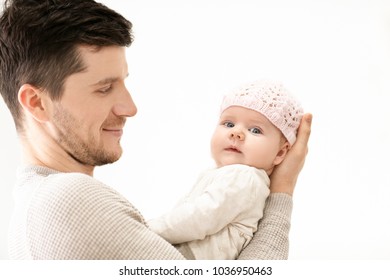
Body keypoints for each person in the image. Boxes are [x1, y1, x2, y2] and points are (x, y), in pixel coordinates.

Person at [0, 0, 312, 260]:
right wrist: (282, 189)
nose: (130, 107)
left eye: (124, 82)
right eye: (104, 88)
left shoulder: (30, 211)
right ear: (36, 103)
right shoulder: (70, 200)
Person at [148, 80, 304, 259]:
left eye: (255, 130)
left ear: (280, 152)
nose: (236, 133)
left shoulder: (245, 177)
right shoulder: (226, 174)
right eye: (229, 124)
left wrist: (148, 229)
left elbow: (201, 217)